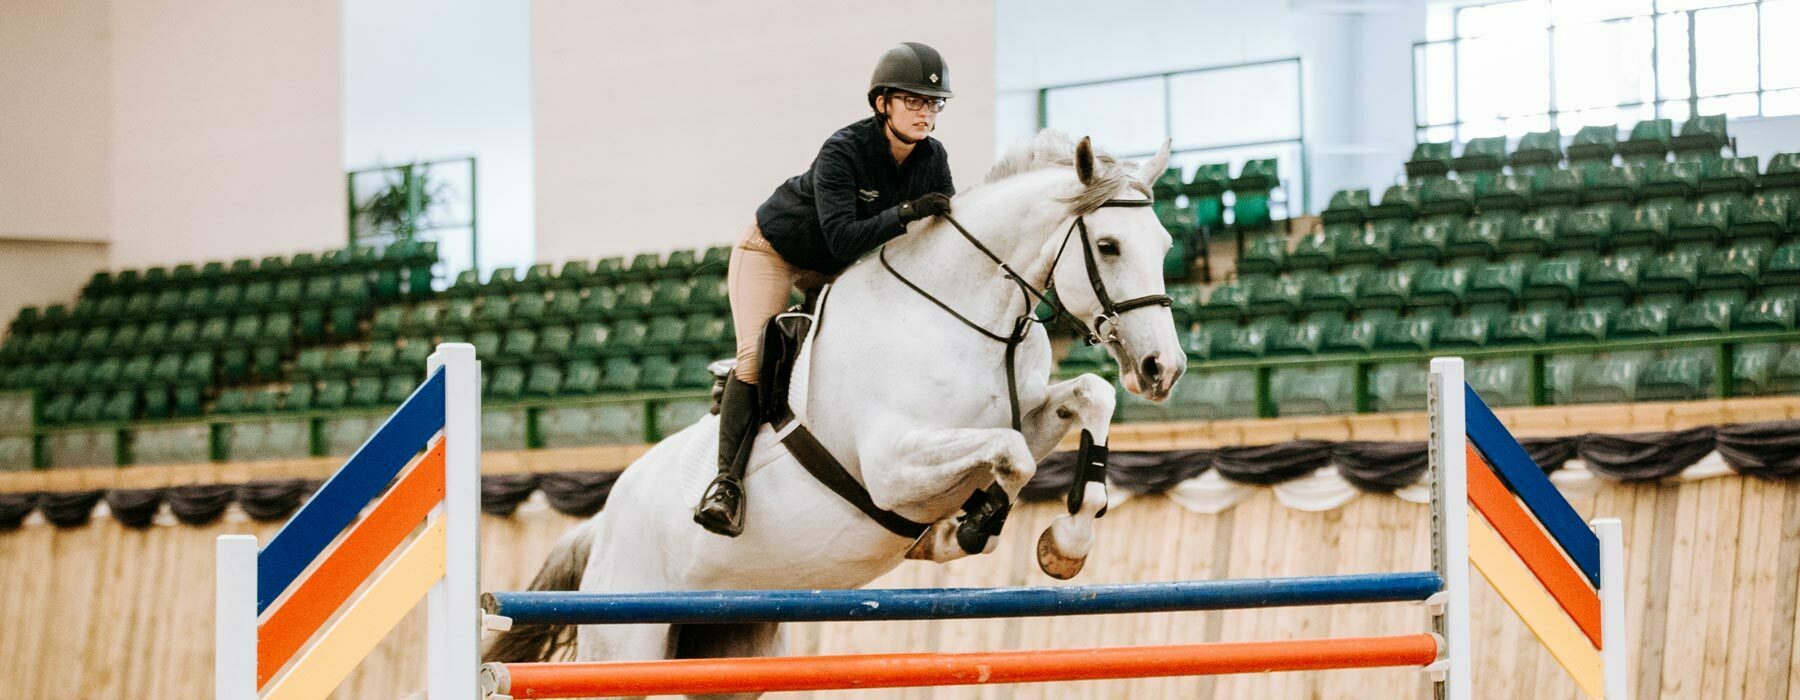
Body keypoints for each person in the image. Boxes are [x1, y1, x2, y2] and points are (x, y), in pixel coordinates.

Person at [694, 42, 958, 537]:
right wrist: (906, 212)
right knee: (754, 355)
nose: (925, 112)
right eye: (913, 101)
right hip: (774, 250)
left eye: (933, 102)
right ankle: (725, 484)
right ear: (882, 103)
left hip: (837, 268)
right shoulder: (844, 148)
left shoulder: (933, 157)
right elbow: (842, 238)